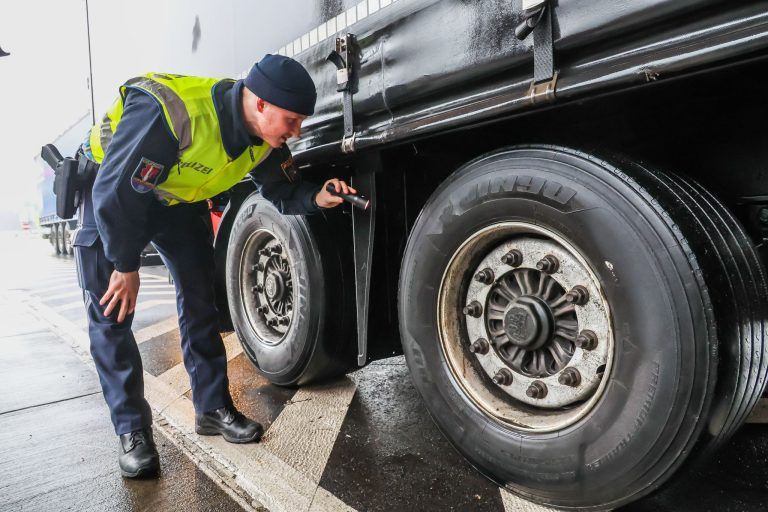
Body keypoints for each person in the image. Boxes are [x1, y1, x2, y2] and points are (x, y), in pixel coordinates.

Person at [73, 54, 354, 478]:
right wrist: (125, 265)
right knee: (112, 310)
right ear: (260, 103)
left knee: (201, 300)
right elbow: (116, 193)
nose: (296, 132)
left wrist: (317, 196)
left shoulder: (263, 139)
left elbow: (282, 190)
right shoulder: (169, 112)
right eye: (292, 120)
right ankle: (132, 432)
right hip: (110, 191)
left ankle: (212, 408)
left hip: (174, 203)